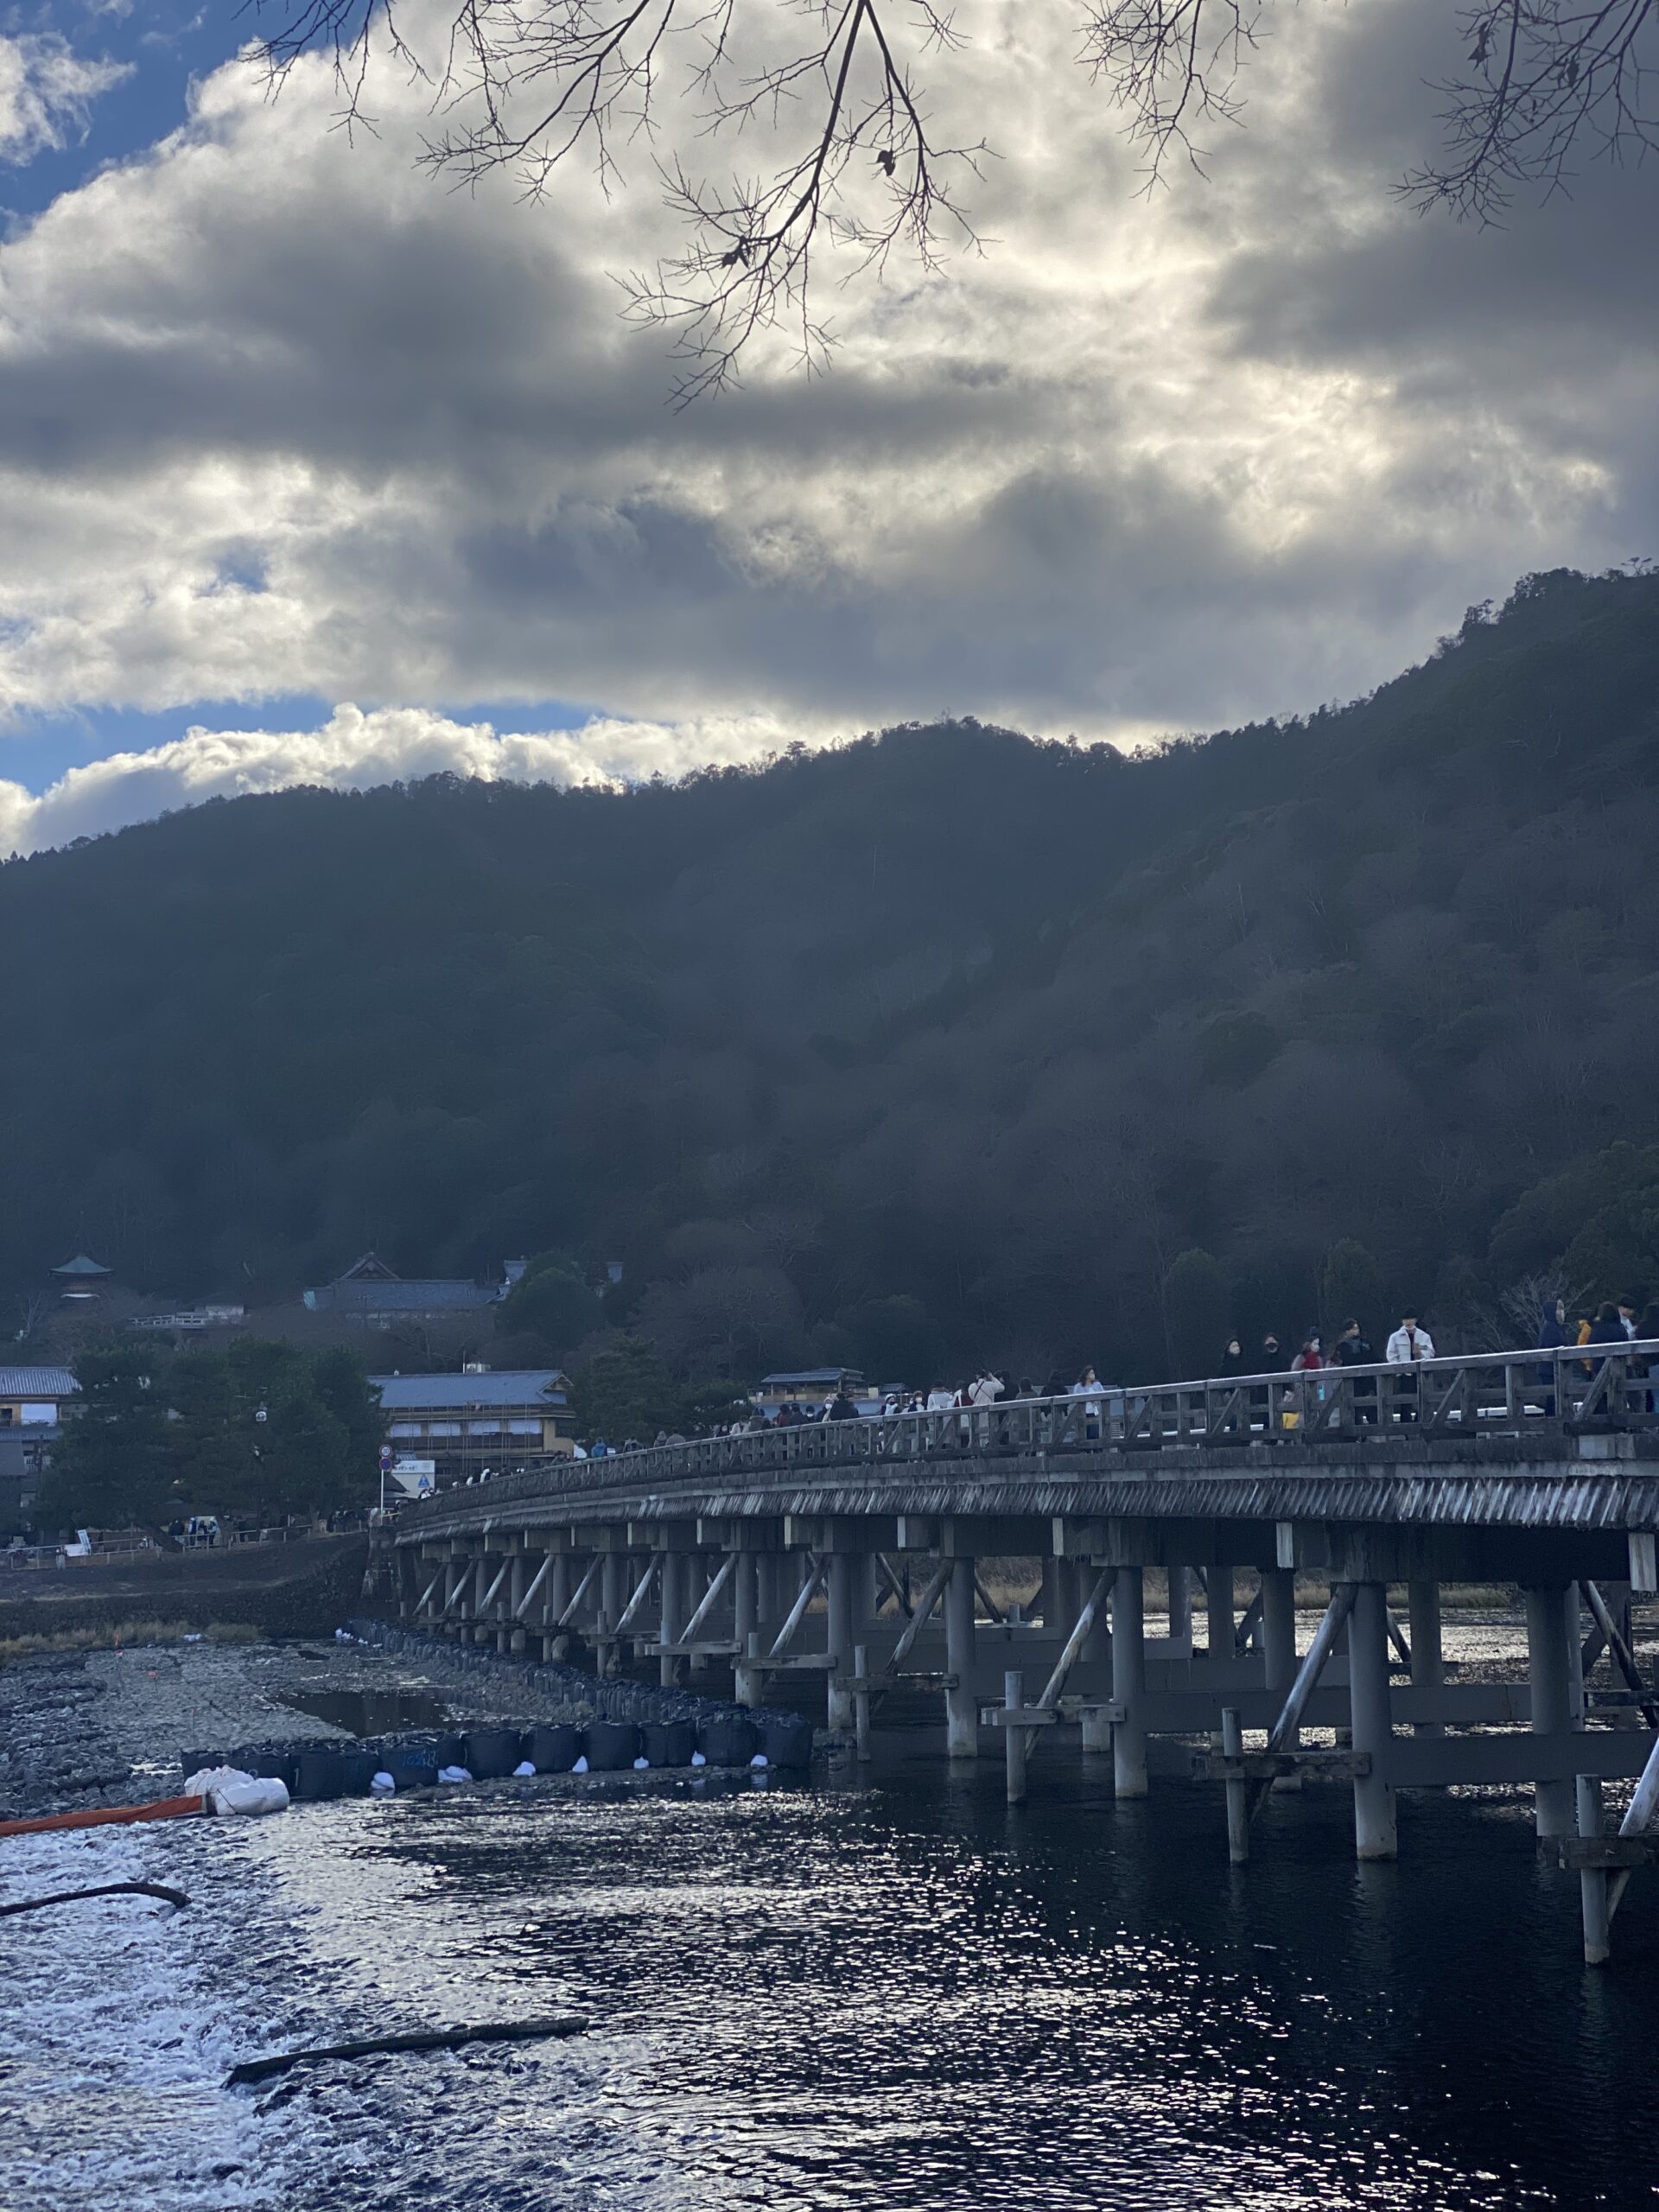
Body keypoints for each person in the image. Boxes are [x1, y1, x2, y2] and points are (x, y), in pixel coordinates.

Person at [1386, 1311, 1434, 1423]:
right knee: (1405, 1403)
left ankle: (1422, 1423)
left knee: (1423, 1400)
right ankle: (1406, 1428)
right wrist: (1399, 1369)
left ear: (1415, 1320)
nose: (1408, 1322)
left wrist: (1420, 1349)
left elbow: (1431, 1352)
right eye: (1405, 1319)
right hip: (1405, 1375)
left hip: (1421, 1373)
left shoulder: (1424, 1336)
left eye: (1410, 1319)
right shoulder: (1395, 1337)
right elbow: (1391, 1355)